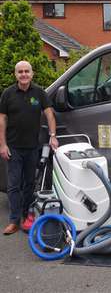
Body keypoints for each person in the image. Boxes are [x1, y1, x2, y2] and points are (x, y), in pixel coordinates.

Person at [0, 61, 59, 235]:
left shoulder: (39, 92)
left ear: (32, 74)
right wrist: (2, 144)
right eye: (20, 72)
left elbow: (49, 114)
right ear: (15, 74)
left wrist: (53, 136)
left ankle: (27, 216)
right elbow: (2, 119)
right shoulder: (8, 94)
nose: (24, 74)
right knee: (13, 185)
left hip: (33, 147)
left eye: (26, 71)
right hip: (13, 148)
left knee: (29, 184)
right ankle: (14, 220)